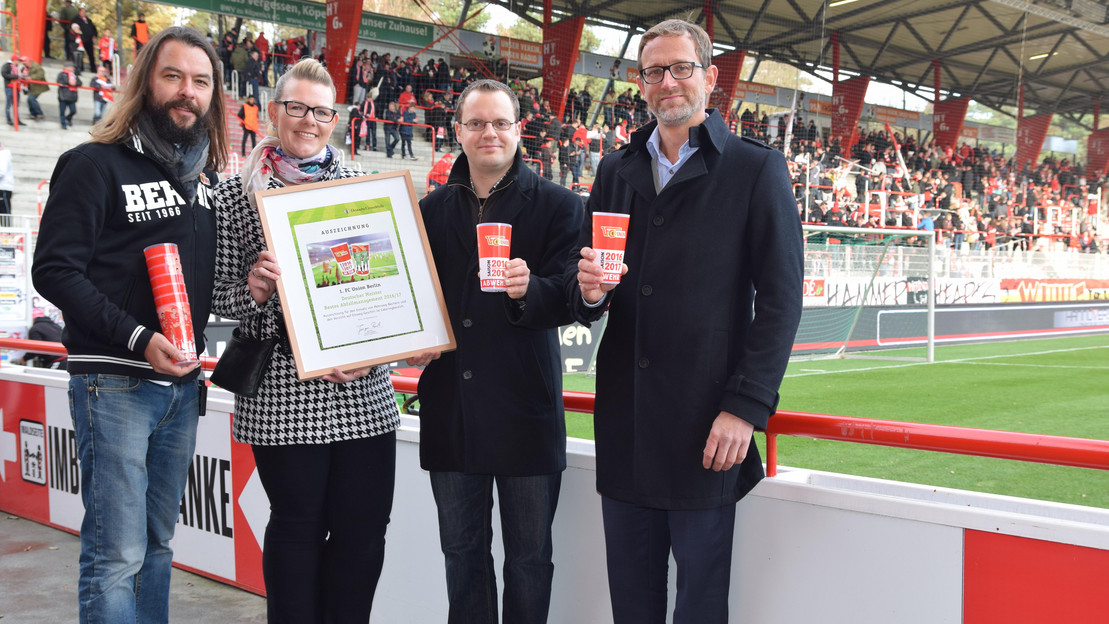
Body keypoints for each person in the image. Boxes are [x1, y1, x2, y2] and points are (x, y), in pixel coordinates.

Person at [569, 19, 803, 623]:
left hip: (709, 428)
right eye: (653, 71)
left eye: (680, 68)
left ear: (709, 77)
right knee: (632, 605)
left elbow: (781, 301)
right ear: (638, 83)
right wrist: (589, 292)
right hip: (627, 423)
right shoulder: (613, 170)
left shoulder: (756, 169)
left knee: (700, 606)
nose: (667, 82)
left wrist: (746, 407)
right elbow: (592, 287)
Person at [31, 26, 228, 623]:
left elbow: (204, 287)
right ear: (144, 83)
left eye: (200, 81)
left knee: (160, 547)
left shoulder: (206, 182)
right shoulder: (92, 164)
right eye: (173, 76)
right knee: (116, 554)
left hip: (181, 387)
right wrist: (138, 338)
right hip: (114, 382)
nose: (186, 92)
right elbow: (54, 271)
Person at [211, 58, 399, 623]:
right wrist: (254, 290)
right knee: (296, 526)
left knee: (364, 531)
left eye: (321, 111)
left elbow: (387, 292)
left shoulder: (365, 188)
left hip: (362, 391)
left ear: (335, 119)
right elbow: (217, 297)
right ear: (274, 111)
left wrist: (371, 354)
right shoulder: (232, 196)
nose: (309, 120)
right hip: (281, 390)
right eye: (297, 108)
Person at [408, 78, 583, 624]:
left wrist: (529, 289)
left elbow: (574, 299)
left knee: (530, 562)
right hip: (451, 414)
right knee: (462, 555)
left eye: (501, 122)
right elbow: (410, 297)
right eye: (477, 123)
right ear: (457, 132)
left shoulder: (558, 205)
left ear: (518, 131)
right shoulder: (427, 210)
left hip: (524, 412)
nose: (490, 133)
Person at [56, 60, 81, 129]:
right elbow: (59, 81)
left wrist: (75, 83)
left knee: (73, 111)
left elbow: (80, 82)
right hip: (63, 96)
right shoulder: (62, 74)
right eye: (72, 67)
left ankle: (68, 119)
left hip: (72, 96)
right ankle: (63, 124)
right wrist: (69, 82)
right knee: (62, 111)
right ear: (67, 67)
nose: (73, 68)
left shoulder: (74, 75)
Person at [1, 55, 23, 125]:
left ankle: (17, 120)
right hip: (9, 87)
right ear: (14, 60)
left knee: (16, 105)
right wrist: (16, 76)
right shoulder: (7, 66)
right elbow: (4, 74)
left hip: (16, 87)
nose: (19, 63)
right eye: (18, 61)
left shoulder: (17, 68)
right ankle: (9, 120)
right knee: (9, 104)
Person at [75, 8, 98, 72]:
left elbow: (93, 28)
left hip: (89, 40)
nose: (83, 13)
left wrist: (95, 35)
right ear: (79, 12)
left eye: (84, 12)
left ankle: (93, 68)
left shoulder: (88, 20)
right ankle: (80, 67)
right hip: (81, 39)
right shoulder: (76, 20)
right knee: (81, 54)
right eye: (82, 12)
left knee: (91, 54)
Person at [0, 140, 11, 226]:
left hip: (3, 188)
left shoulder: (3, 155)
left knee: (4, 213)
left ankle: (8, 233)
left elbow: (1, 171)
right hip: (3, 188)